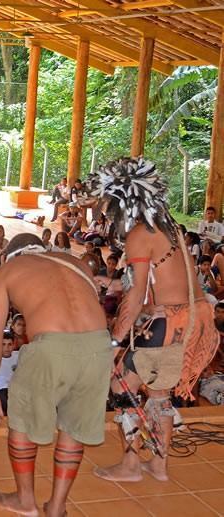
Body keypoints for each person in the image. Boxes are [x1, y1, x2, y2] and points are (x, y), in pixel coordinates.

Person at [88, 158, 219, 484]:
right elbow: (149, 284)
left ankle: (132, 465)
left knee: (120, 385)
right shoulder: (167, 226)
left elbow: (134, 299)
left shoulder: (140, 233)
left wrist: (114, 342)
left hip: (170, 321)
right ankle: (158, 466)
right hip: (190, 316)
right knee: (159, 394)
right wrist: (114, 285)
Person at [0, 233, 112, 517]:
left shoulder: (7, 271)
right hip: (99, 346)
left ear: (9, 256)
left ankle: (25, 501)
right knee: (73, 429)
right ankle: (57, 506)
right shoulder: (76, 263)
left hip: (51, 347)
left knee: (23, 426)